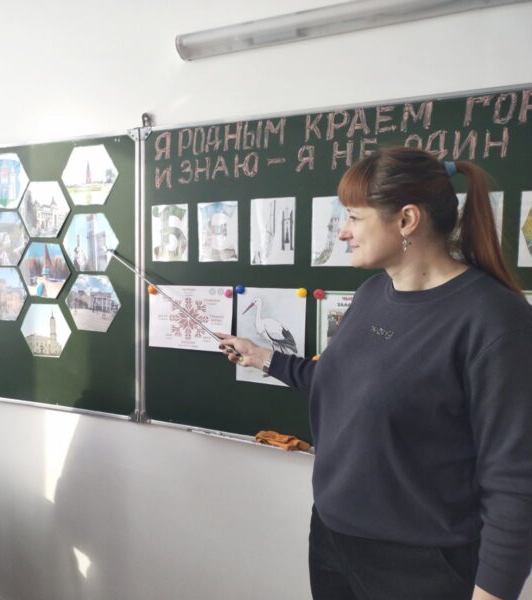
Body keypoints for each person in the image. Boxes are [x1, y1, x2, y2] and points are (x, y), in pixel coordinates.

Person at [219, 147, 532, 600]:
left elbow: (516, 479)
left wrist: (494, 592)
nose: (342, 232)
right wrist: (265, 359)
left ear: (406, 220)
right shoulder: (371, 294)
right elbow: (348, 386)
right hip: (333, 541)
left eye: (353, 217)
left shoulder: (493, 320)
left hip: (422, 564)